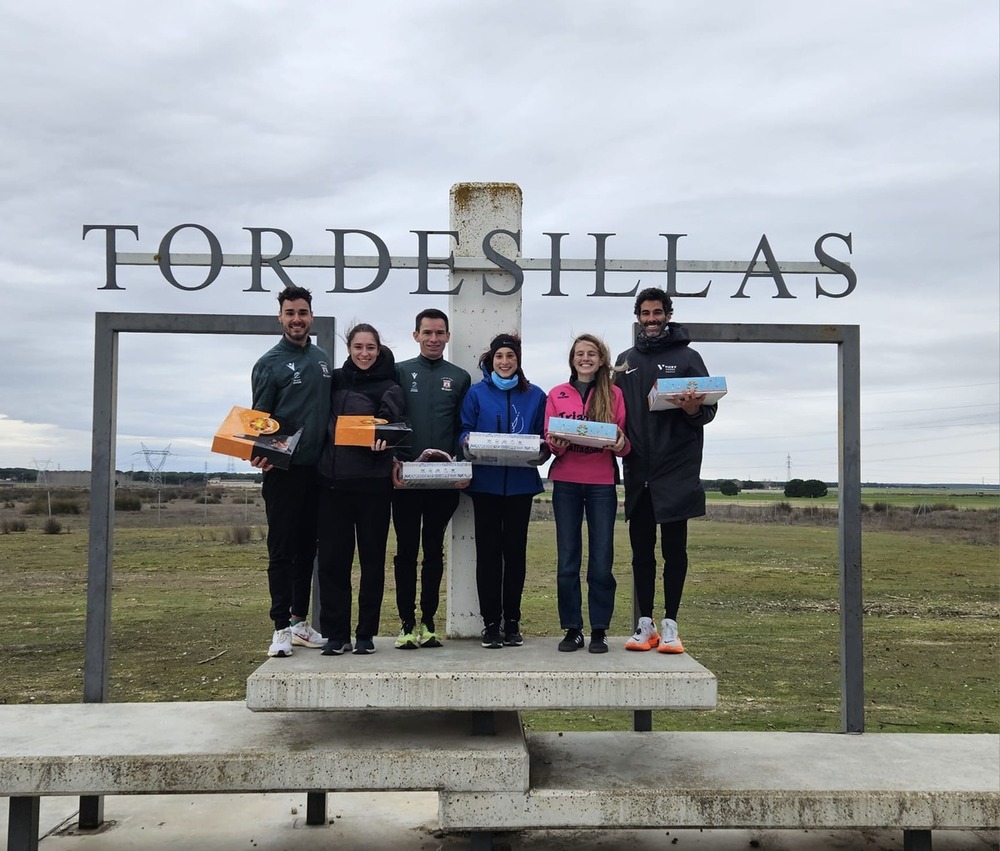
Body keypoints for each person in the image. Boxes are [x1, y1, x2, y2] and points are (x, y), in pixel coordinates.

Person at [614, 287, 718, 654]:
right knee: (641, 553)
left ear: (668, 315)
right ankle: (646, 624)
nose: (652, 319)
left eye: (658, 313)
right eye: (645, 313)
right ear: (638, 317)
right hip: (638, 471)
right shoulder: (625, 361)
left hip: (677, 471)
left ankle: (671, 624)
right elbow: (613, 412)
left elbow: (707, 411)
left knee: (675, 551)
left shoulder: (689, 357)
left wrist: (692, 409)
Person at [250, 285, 332, 658]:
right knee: (281, 550)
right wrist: (260, 453)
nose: (297, 319)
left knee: (307, 550)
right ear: (280, 317)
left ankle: (301, 622)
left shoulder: (321, 359)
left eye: (302, 312)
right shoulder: (269, 364)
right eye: (290, 313)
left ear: (311, 316)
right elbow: (259, 421)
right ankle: (280, 627)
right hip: (283, 472)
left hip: (318, 472)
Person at [315, 324, 403, 656]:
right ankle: (336, 634)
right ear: (348, 348)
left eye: (370, 347)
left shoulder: (390, 386)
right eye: (358, 347)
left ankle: (366, 633)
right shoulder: (333, 380)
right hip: (331, 485)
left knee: (371, 562)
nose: (364, 353)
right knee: (332, 563)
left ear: (379, 350)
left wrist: (384, 440)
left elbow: (391, 426)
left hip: (373, 488)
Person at [459, 334, 547, 649]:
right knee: (488, 556)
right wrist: (467, 444)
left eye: (510, 356)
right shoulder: (476, 393)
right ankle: (490, 624)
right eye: (500, 356)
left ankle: (512, 621)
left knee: (515, 556)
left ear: (518, 360)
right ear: (491, 360)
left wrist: (542, 450)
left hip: (521, 487)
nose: (505, 362)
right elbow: (464, 431)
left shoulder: (536, 395)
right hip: (485, 487)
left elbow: (543, 438)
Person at [390, 309, 472, 650]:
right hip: (406, 480)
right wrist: (392, 461)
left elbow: (463, 426)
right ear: (416, 335)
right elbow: (390, 419)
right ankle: (406, 624)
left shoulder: (460, 377)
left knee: (433, 551)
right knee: (406, 551)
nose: (434, 338)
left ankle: (428, 622)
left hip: (444, 482)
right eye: (427, 332)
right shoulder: (399, 371)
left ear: (448, 336)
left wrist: (462, 467)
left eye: (440, 333)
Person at [544, 334, 630, 654]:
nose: (585, 358)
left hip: (602, 484)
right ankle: (572, 628)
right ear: (572, 359)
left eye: (591, 353)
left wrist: (620, 444)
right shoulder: (557, 393)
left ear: (601, 359)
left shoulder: (615, 394)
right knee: (567, 560)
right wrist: (557, 444)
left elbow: (624, 442)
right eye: (579, 353)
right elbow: (549, 440)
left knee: (601, 560)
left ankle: (599, 629)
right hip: (565, 483)